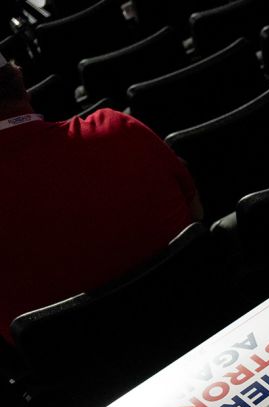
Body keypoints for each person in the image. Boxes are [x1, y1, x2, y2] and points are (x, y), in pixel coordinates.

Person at [0, 55, 202, 345]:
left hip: (84, 380)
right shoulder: (119, 129)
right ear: (21, 84)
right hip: (200, 320)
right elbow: (197, 213)